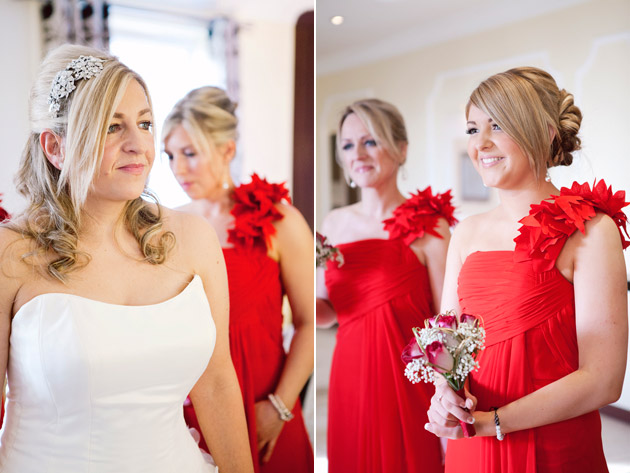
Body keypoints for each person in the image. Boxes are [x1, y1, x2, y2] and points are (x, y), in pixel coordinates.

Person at [0, 44, 254, 473]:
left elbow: (216, 383)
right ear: (55, 147)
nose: (139, 145)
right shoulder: (12, 253)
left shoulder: (193, 239)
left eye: (145, 123)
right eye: (111, 127)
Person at [424, 67, 629, 473]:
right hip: (472, 446)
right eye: (471, 129)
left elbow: (604, 379)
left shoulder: (591, 231)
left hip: (552, 448)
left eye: (497, 125)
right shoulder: (465, 234)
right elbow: (445, 343)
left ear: (547, 132)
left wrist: (494, 423)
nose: (480, 143)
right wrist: (443, 393)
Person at [162, 86, 314, 473]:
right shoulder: (166, 227)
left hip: (265, 403)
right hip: (188, 411)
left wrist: (278, 408)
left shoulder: (279, 220)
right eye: (171, 156)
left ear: (227, 149)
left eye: (190, 153)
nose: (178, 169)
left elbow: (309, 322)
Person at [316, 98, 455, 473]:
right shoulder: (333, 224)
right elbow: (327, 312)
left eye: (370, 140)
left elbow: (448, 324)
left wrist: (449, 402)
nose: (357, 154)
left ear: (401, 148)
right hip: (350, 375)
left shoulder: (430, 225)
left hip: (408, 383)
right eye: (347, 145)